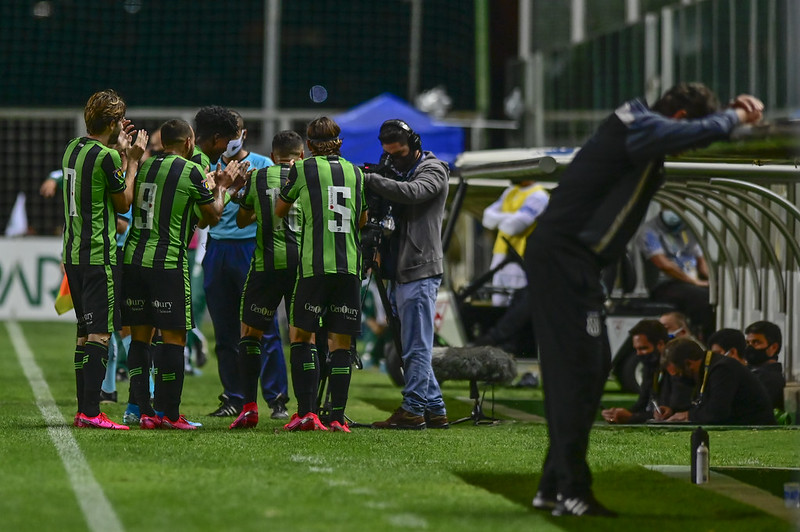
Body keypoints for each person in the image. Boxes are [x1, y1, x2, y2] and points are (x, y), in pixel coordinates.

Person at [524, 83, 763, 517]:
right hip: (564, 261)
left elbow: (689, 134)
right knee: (577, 375)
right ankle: (570, 489)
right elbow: (680, 135)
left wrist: (726, 117)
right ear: (677, 118)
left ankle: (553, 485)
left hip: (574, 264)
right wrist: (735, 119)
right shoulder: (636, 126)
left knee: (587, 370)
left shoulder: (639, 128)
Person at [122, 118, 245, 430]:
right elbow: (212, 215)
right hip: (167, 264)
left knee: (140, 338)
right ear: (190, 142)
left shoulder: (146, 165)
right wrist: (225, 188)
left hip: (135, 260)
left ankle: (144, 411)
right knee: (174, 338)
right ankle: (170, 415)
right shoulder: (191, 170)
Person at [62, 89, 147, 430]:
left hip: (73, 254)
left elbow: (96, 184)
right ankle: (91, 412)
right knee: (100, 335)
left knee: (84, 333)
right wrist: (133, 159)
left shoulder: (73, 148)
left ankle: (86, 409)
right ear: (113, 123)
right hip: (99, 255)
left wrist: (118, 149)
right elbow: (124, 201)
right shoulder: (107, 158)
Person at [276, 116, 367, 432]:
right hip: (350, 267)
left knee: (302, 336)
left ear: (309, 145)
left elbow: (280, 210)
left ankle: (307, 414)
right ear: (338, 142)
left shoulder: (301, 169)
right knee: (341, 343)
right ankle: (338, 418)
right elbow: (362, 220)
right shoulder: (356, 173)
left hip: (315, 267)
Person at [201, 110, 290, 420]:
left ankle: (276, 398)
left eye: (235, 133)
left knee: (262, 326)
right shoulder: (209, 165)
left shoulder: (264, 166)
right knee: (224, 330)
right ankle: (234, 397)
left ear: (244, 134)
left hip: (252, 248)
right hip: (217, 249)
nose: (230, 140)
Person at [362, 119, 450, 430]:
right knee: (409, 342)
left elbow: (412, 193)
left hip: (419, 269)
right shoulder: (395, 170)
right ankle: (435, 408)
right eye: (390, 154)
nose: (394, 159)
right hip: (397, 269)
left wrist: (371, 179)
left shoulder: (434, 169)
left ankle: (413, 408)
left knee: (416, 344)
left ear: (414, 145)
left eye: (400, 154)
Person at [229, 130, 304, 429]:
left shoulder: (259, 178)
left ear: (273, 156)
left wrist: (263, 210)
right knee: (303, 337)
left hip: (265, 268)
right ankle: (306, 411)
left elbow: (242, 220)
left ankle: (248, 407)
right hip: (303, 268)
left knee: (250, 334)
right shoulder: (308, 177)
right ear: (301, 156)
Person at [637, 208, 714, 340]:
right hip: (666, 284)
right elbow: (665, 265)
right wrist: (695, 282)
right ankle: (703, 339)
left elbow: (701, 261)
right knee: (702, 298)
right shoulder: (649, 231)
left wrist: (712, 281)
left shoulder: (687, 229)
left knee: (715, 294)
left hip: (691, 282)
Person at [663, 338, 774, 425]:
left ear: (689, 363)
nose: (679, 379)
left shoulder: (723, 369)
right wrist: (672, 411)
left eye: (678, 374)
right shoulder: (708, 368)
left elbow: (716, 413)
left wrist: (687, 415)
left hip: (756, 430)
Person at [601, 319, 691, 424]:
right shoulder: (650, 367)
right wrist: (618, 413)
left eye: (643, 348)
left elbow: (673, 411)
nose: (639, 354)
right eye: (636, 349)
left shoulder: (677, 368)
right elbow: (642, 403)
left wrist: (632, 417)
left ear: (660, 344)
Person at [482, 179, 549, 307]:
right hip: (500, 256)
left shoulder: (539, 196)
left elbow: (513, 227)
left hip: (520, 260)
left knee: (518, 305)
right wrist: (512, 216)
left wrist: (500, 219)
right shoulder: (510, 191)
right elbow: (487, 219)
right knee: (498, 304)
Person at [744, 320, 785, 410]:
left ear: (773, 347)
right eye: (747, 343)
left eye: (756, 342)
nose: (750, 348)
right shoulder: (750, 372)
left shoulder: (771, 379)